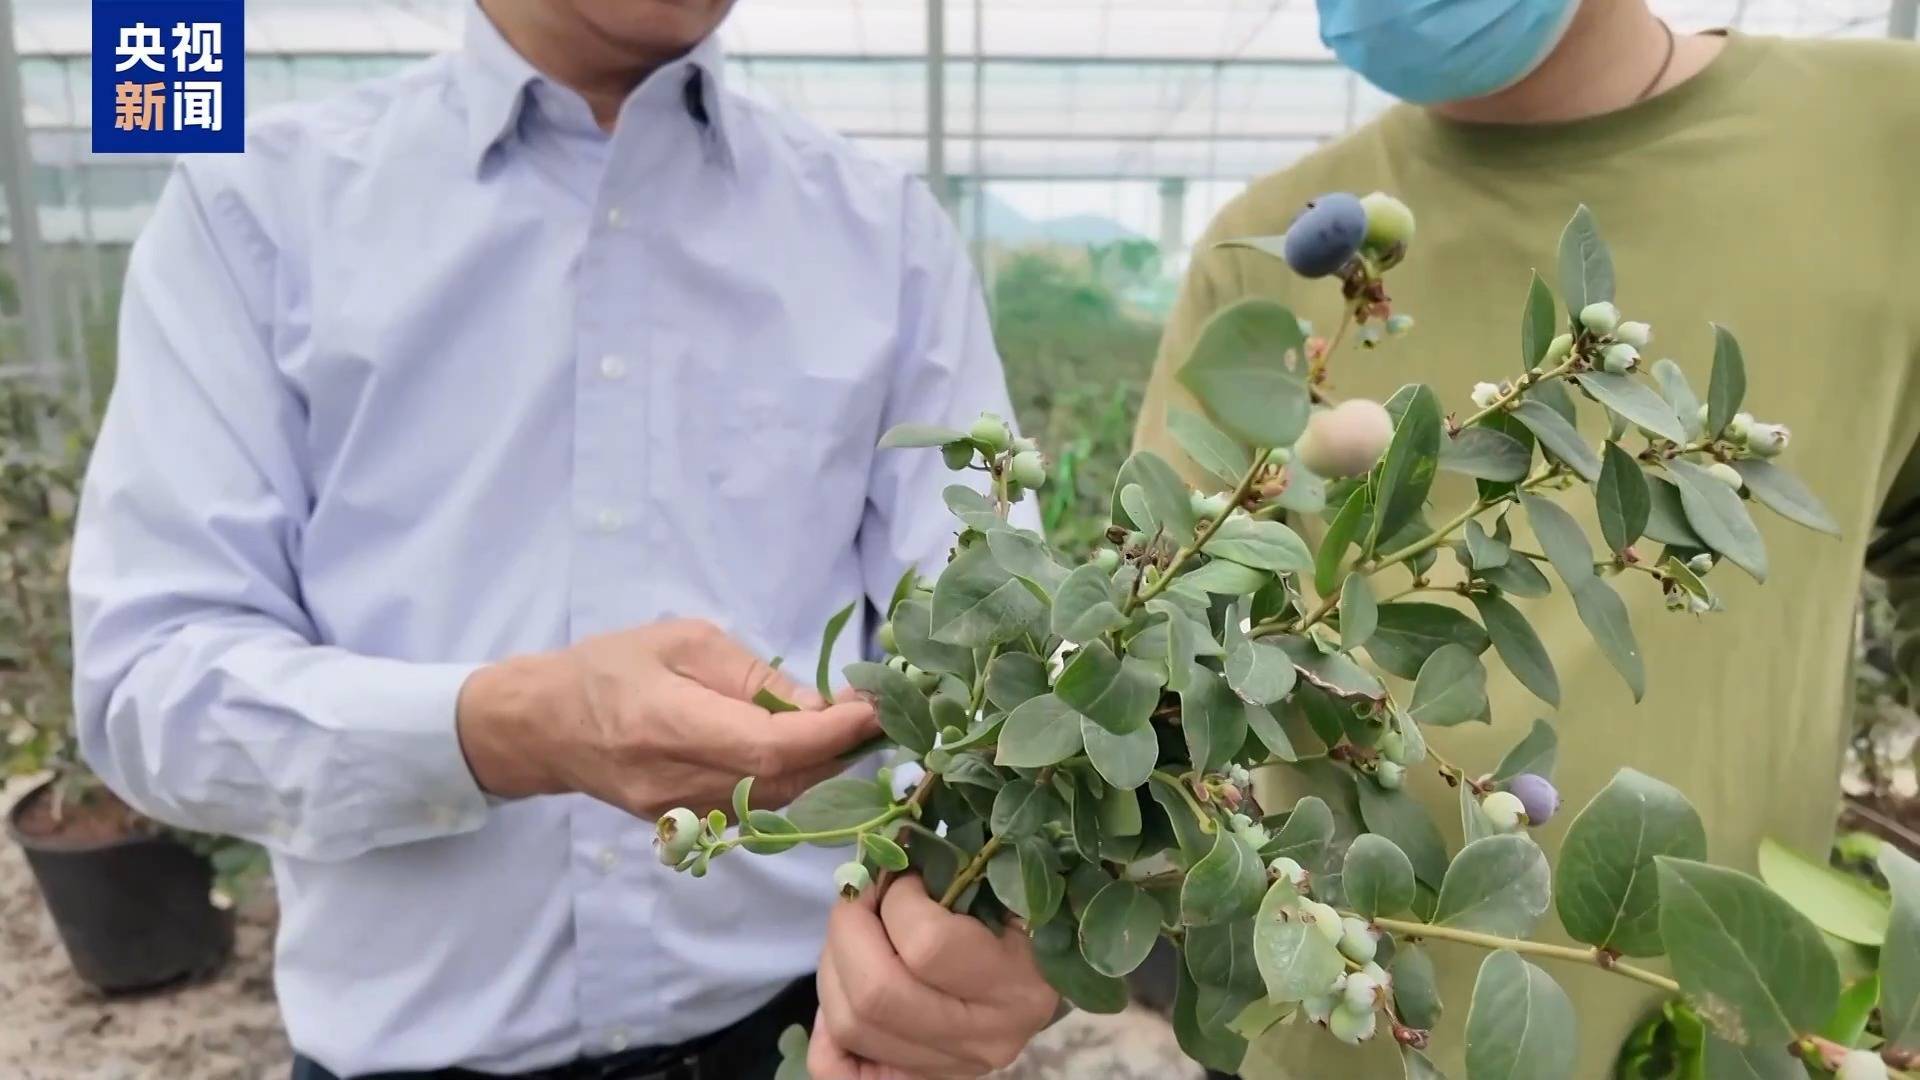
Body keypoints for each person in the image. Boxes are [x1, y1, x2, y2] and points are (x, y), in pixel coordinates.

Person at [69, 1, 1059, 1076]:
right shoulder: (259, 207)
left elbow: (1002, 656)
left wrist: (1002, 925)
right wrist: (510, 728)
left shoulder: (882, 231)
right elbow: (151, 687)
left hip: (801, 1037)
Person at [1137, 0, 1920, 1075]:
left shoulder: (1888, 146)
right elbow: (1154, 668)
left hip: (1735, 1039)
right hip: (1350, 1043)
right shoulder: (1267, 267)